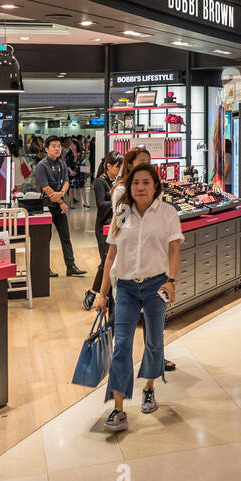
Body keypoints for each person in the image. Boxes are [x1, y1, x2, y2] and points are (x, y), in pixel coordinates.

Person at [94, 162, 182, 432]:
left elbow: (174, 250)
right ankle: (118, 409)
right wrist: (102, 293)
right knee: (121, 346)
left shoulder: (167, 213)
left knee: (154, 342)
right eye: (136, 183)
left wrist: (171, 282)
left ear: (156, 186)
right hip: (126, 288)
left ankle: (149, 388)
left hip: (157, 287)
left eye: (146, 182)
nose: (141, 187)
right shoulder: (121, 213)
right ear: (128, 188)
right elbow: (111, 256)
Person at [35, 135, 86, 279]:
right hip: (45, 206)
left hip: (59, 205)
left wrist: (62, 194)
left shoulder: (62, 163)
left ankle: (71, 267)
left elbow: (66, 182)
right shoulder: (41, 166)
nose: (57, 148)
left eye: (58, 146)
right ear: (46, 149)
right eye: (53, 146)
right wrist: (62, 201)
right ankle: (45, 268)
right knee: (46, 239)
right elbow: (45, 187)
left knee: (65, 236)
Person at [84, 152, 123, 311]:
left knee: (108, 262)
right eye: (117, 166)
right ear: (109, 166)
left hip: (114, 225)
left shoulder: (116, 181)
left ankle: (96, 292)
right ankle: (94, 292)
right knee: (106, 261)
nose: (119, 170)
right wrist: (118, 198)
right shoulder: (100, 182)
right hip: (103, 227)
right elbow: (100, 204)